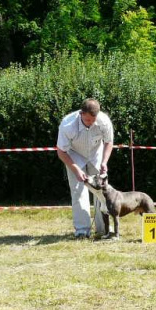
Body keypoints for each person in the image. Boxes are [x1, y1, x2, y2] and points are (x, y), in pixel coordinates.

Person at [57, 98, 114, 238]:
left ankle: (104, 229)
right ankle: (82, 231)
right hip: (74, 156)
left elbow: (108, 142)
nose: (91, 123)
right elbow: (61, 151)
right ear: (81, 113)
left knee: (102, 192)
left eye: (93, 120)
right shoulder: (67, 124)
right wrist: (76, 169)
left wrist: (104, 162)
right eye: (88, 120)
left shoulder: (104, 121)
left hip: (97, 155)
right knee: (78, 192)